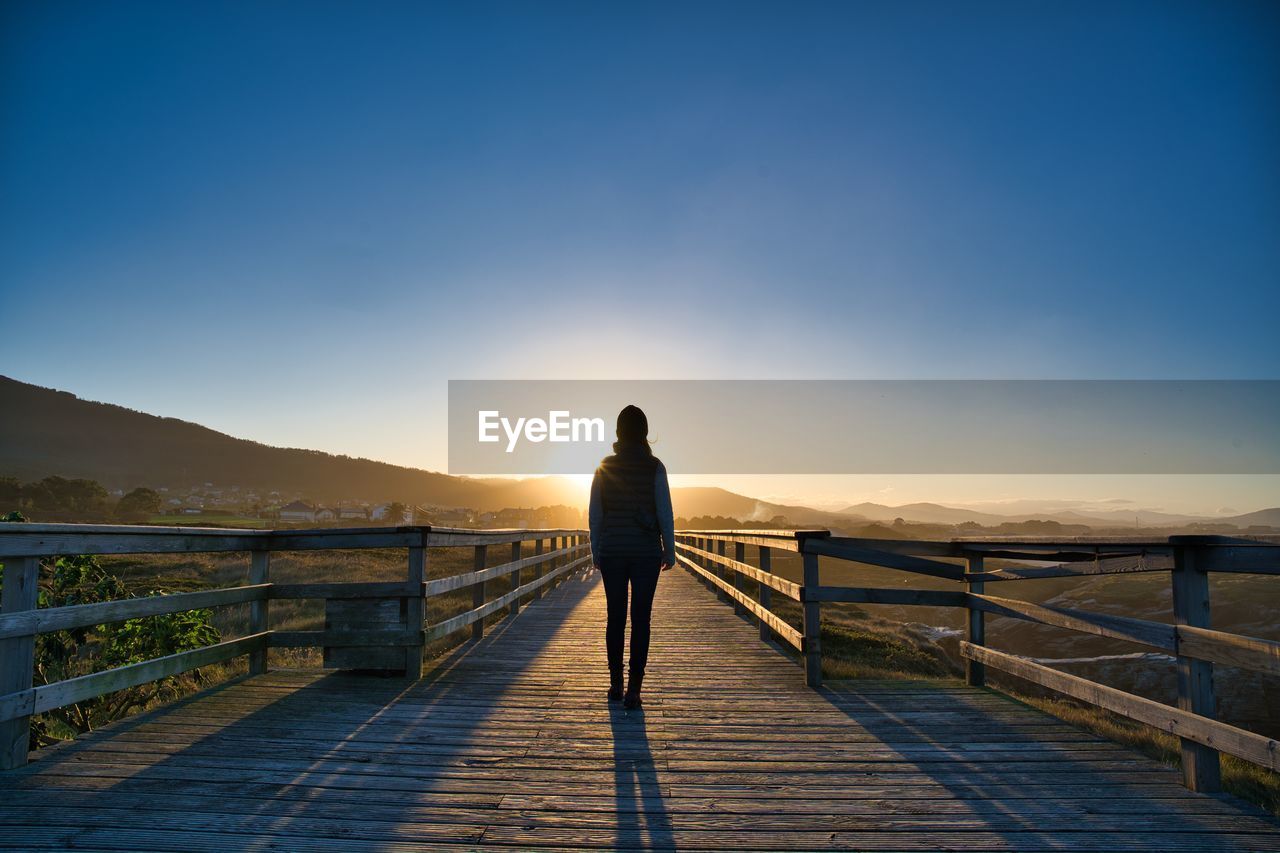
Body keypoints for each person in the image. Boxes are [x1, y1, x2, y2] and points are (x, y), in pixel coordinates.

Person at [588, 404, 675, 710]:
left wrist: (595, 550)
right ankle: (634, 690)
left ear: (618, 433)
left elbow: (595, 514)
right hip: (645, 552)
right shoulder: (655, 467)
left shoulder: (604, 466)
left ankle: (615, 684)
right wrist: (670, 550)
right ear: (645, 433)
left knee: (615, 617)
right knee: (641, 620)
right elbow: (664, 511)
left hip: (612, 550)